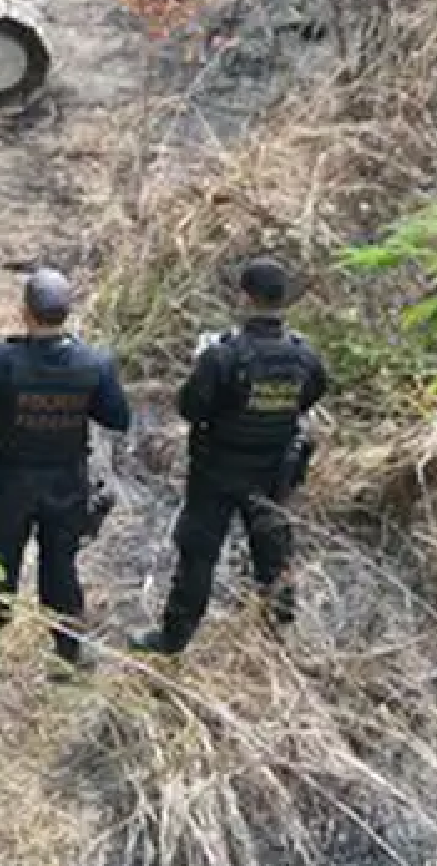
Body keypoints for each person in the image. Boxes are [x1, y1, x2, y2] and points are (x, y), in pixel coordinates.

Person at [134, 258, 330, 652]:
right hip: (274, 470)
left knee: (198, 553)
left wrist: (201, 368)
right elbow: (311, 395)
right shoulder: (304, 356)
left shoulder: (222, 355)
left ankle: (174, 639)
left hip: (218, 470)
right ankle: (279, 633)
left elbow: (190, 407)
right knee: (273, 548)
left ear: (245, 297)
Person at [0, 268, 133, 678]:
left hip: (8, 482)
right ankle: (69, 657)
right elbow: (117, 418)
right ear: (67, 312)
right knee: (60, 568)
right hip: (65, 484)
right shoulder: (93, 362)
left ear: (25, 312)